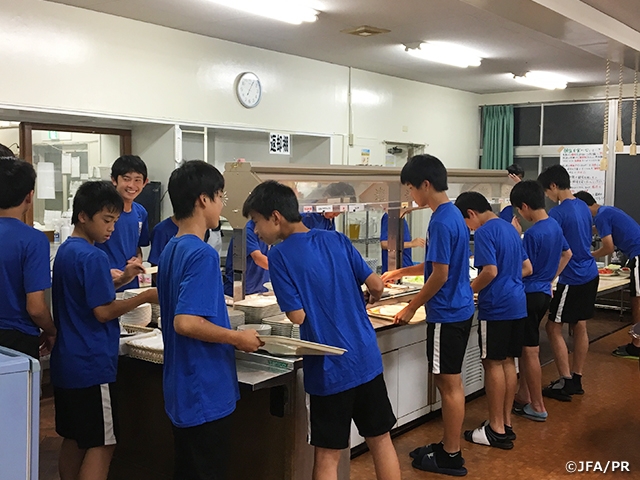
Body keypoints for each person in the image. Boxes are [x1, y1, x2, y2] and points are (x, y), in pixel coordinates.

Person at [243, 180, 400, 480]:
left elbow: (298, 316)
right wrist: (364, 298)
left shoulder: (279, 256)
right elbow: (376, 285)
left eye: (256, 222)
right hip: (365, 358)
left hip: (330, 367)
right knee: (381, 440)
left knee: (328, 455)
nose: (257, 231)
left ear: (275, 217)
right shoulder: (337, 239)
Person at [157, 161, 262, 480]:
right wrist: (238, 338)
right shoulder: (201, 253)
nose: (222, 205)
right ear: (203, 199)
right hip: (203, 387)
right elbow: (186, 322)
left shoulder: (172, 247)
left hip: (182, 387)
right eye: (220, 196)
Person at [50, 181, 157, 480]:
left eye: (115, 221)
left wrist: (123, 280)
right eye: (106, 220)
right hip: (91, 363)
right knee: (103, 442)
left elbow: (88, 294)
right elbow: (102, 311)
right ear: (83, 216)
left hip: (67, 361)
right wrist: (146, 296)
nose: (111, 228)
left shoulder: (67, 250)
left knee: (75, 438)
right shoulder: (94, 256)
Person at [381, 155, 474, 476]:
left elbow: (440, 275)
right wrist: (400, 271)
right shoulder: (452, 214)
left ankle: (451, 455)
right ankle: (448, 445)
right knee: (450, 382)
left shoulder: (441, 221)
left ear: (425, 184)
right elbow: (436, 264)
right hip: (459, 308)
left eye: (411, 188)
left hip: (447, 313)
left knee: (448, 385)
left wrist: (411, 306)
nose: (411, 196)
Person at [454, 191, 532, 450]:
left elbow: (489, 271)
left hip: (497, 306)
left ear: (471, 213)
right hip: (517, 302)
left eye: (467, 222)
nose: (469, 228)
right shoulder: (510, 228)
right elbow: (527, 268)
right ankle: (505, 422)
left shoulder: (485, 232)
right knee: (508, 361)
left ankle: (495, 428)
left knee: (492, 363)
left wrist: (468, 291)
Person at [510, 181, 572, 422]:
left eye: (519, 209)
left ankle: (537, 405)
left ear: (525, 206)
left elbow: (525, 269)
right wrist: (551, 278)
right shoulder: (554, 225)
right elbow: (567, 254)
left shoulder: (533, 233)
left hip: (529, 294)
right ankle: (524, 395)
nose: (519, 214)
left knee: (530, 351)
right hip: (544, 292)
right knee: (529, 348)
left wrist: (515, 237)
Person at [537, 165, 599, 401]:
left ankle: (565, 381)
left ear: (554, 186)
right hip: (590, 272)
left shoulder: (558, 213)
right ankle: (577, 377)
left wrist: (548, 277)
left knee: (553, 327)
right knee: (579, 325)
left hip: (572, 277)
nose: (547, 196)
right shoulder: (582, 205)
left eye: (547, 191)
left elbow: (556, 249)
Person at [0, 156, 56, 358]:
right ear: (29, 196)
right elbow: (36, 308)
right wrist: (51, 330)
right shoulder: (33, 240)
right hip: (16, 338)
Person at [574, 191, 640, 359]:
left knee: (638, 301)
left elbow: (608, 248)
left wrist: (588, 255)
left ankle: (637, 346)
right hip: (635, 254)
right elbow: (597, 229)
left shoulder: (602, 216)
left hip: (638, 255)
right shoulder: (606, 211)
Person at [95, 155, 150, 291]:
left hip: (131, 284)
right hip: (106, 280)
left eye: (137, 180)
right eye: (126, 179)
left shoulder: (141, 212)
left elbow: (137, 247)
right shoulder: (101, 211)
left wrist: (138, 259)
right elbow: (87, 244)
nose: (132, 185)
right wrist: (103, 270)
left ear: (145, 182)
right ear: (114, 180)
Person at [223, 219, 269, 297]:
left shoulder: (267, 230)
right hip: (240, 292)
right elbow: (259, 259)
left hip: (259, 289)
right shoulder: (247, 231)